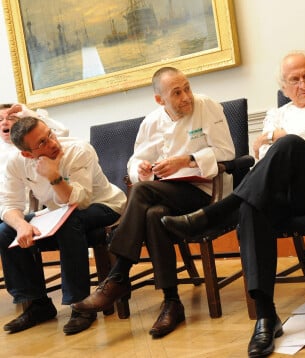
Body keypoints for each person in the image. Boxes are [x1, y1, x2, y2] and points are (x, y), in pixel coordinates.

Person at [160, 50, 305, 357]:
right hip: (287, 197)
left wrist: (282, 139)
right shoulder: (276, 114)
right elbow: (263, 156)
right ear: (284, 87)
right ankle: (266, 315)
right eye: (294, 79)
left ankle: (215, 214)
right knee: (252, 204)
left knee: (289, 145)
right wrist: (297, 140)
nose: (303, 84)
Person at [70, 66, 236, 339]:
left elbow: (227, 152)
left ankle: (118, 275)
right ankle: (172, 301)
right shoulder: (151, 122)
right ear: (160, 100)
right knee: (153, 214)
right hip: (168, 193)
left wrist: (187, 160)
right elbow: (135, 161)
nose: (186, 97)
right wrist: (142, 170)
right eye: (176, 92)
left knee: (144, 194)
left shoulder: (207, 106)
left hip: (205, 191)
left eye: (187, 88)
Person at [0, 116, 126, 335]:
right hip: (57, 213)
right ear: (27, 154)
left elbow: (81, 201)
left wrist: (53, 176)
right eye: (41, 143)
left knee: (69, 221)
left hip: (104, 205)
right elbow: (9, 204)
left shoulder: (78, 150)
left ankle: (80, 306)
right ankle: (37, 303)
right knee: (5, 230)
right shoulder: (15, 163)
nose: (52, 143)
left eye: (49, 134)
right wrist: (21, 225)